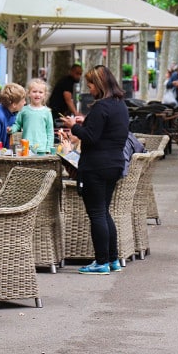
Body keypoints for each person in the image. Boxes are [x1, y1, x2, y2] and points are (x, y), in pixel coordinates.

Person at [61, 65, 129, 275]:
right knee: (105, 212)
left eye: (90, 84)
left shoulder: (101, 107)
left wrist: (73, 125)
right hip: (115, 163)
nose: (89, 88)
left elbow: (90, 136)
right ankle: (113, 258)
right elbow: (103, 128)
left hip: (96, 165)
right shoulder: (120, 105)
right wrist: (86, 121)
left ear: (99, 85)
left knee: (97, 214)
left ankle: (101, 261)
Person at [13, 78, 54, 153]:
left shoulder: (47, 112)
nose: (37, 94)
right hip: (26, 148)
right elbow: (17, 124)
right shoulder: (23, 110)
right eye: (34, 91)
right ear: (28, 93)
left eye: (40, 92)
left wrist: (48, 149)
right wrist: (12, 129)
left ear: (45, 95)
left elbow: (50, 132)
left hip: (42, 149)